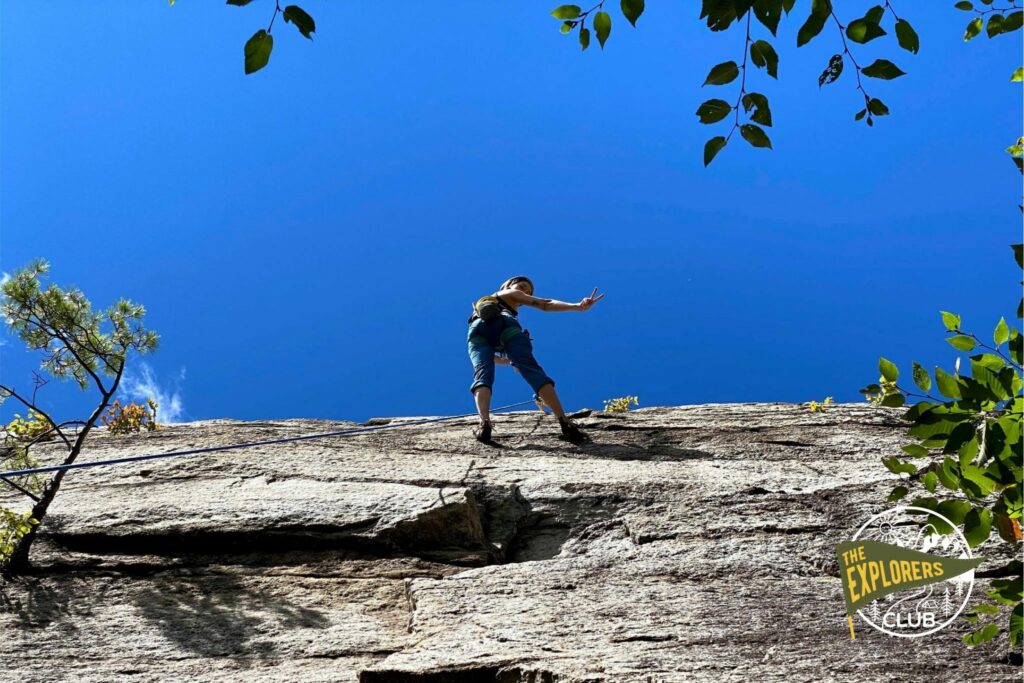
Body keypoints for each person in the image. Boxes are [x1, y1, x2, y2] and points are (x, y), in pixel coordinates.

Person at [466, 275, 605, 444]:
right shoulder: (510, 293)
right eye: (523, 286)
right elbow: (545, 304)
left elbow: (490, 358)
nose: (525, 291)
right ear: (509, 285)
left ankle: (484, 423)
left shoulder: (487, 304)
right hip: (507, 326)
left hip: (477, 332)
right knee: (532, 370)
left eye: (528, 290)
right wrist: (577, 306)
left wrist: (511, 361)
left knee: (482, 374)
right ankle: (564, 421)